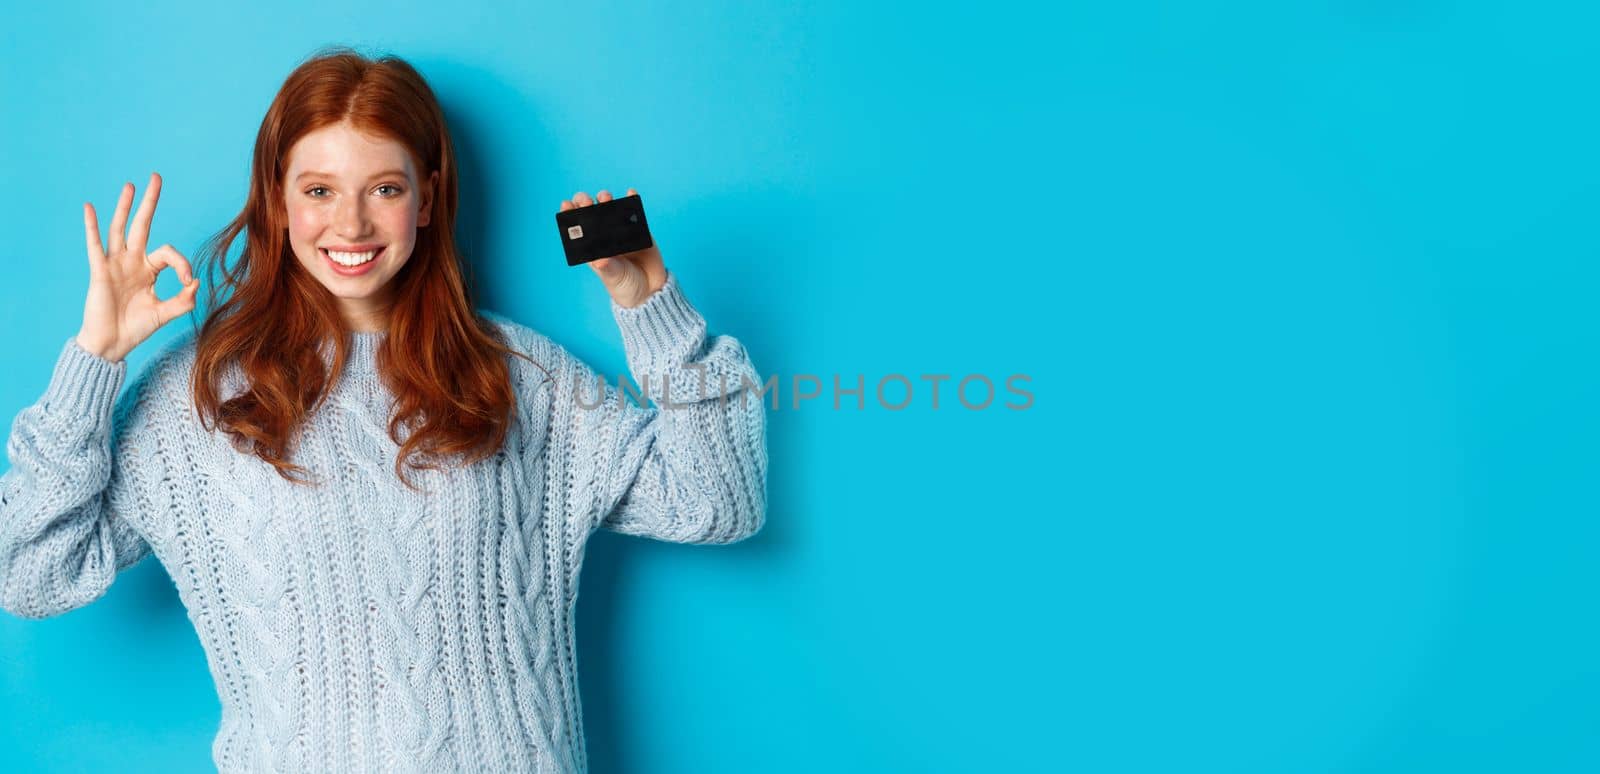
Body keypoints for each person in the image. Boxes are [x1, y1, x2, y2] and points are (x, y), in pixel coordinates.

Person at [0, 45, 767, 774]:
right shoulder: (197, 399)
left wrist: (649, 307)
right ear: (278, 200)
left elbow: (718, 501)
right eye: (320, 189)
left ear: (427, 198)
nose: (353, 225)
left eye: (386, 189)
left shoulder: (521, 375)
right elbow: (30, 576)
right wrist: (93, 359)